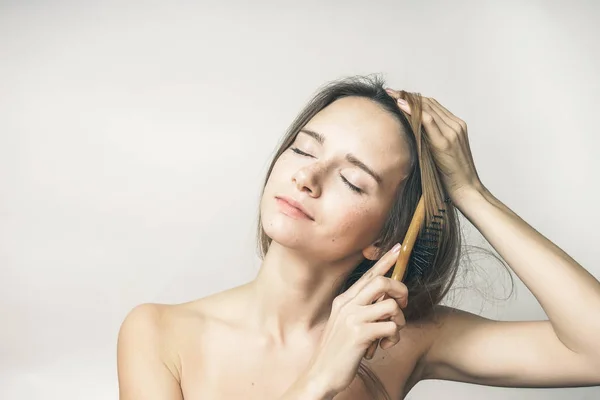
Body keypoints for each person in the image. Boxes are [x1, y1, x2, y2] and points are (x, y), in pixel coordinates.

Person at [116, 75, 600, 400]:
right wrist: (320, 379)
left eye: (353, 180)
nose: (308, 178)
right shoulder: (158, 334)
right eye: (305, 149)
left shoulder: (402, 340)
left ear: (383, 238)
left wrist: (471, 193)